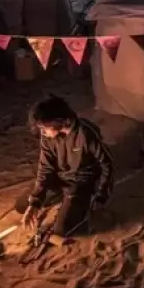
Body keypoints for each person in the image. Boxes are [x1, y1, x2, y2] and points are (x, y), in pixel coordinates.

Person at [20, 95, 114, 242]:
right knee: (23, 205)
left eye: (44, 128)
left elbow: (107, 164)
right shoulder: (48, 136)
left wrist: (101, 197)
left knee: (62, 230)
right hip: (60, 179)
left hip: (80, 183)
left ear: (61, 121)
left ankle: (76, 202)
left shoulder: (85, 133)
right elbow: (45, 168)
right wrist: (35, 202)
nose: (42, 132)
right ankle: (63, 199)